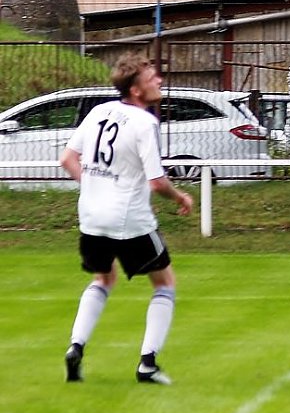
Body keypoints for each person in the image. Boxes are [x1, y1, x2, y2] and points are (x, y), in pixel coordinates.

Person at [60, 53, 194, 385]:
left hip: (91, 217)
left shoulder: (98, 112)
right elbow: (158, 182)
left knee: (104, 280)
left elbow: (67, 158)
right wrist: (181, 197)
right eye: (152, 78)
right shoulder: (144, 122)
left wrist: (95, 188)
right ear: (136, 90)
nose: (159, 81)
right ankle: (147, 363)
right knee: (165, 284)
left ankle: (75, 346)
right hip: (129, 221)